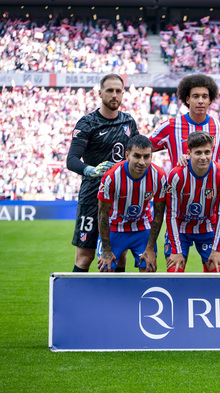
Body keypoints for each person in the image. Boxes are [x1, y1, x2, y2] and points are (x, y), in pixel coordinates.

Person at [66, 74, 139, 272]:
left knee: (119, 255)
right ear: (100, 93)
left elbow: (139, 153)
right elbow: (71, 160)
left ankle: (116, 303)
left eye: (118, 91)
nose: (114, 95)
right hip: (92, 198)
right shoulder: (87, 123)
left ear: (123, 94)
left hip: (120, 198)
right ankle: (75, 301)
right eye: (109, 91)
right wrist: (90, 170)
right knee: (85, 256)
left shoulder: (128, 122)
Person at [96, 135, 167, 272]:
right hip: (114, 227)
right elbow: (102, 213)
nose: (142, 162)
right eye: (137, 156)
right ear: (127, 155)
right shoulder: (111, 176)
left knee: (148, 268)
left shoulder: (159, 175)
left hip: (141, 227)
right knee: (106, 268)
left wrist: (150, 248)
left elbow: (159, 214)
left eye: (146, 156)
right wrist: (106, 250)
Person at [166, 131, 220, 273]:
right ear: (189, 153)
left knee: (218, 271)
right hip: (181, 227)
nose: (203, 157)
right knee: (174, 271)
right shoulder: (176, 175)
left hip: (206, 226)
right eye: (198, 153)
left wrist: (216, 249)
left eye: (207, 152)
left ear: (212, 151)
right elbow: (171, 214)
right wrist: (176, 251)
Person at [150, 74, 220, 166]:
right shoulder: (170, 126)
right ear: (187, 99)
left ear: (210, 100)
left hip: (211, 180)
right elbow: (143, 149)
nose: (200, 101)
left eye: (204, 97)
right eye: (196, 96)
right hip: (180, 180)